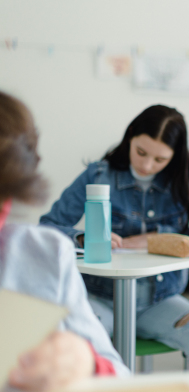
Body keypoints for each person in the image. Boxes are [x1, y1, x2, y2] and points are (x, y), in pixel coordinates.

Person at [40, 105, 189, 370]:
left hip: (160, 301)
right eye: (141, 152)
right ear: (130, 136)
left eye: (160, 159)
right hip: (99, 297)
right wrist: (85, 238)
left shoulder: (182, 185)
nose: (146, 165)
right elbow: (48, 227)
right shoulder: (97, 175)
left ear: (175, 156)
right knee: (68, 344)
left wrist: (159, 239)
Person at [0, 91, 129, 391]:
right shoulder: (95, 174)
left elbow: (120, 377)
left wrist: (86, 362)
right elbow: (56, 221)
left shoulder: (41, 254)